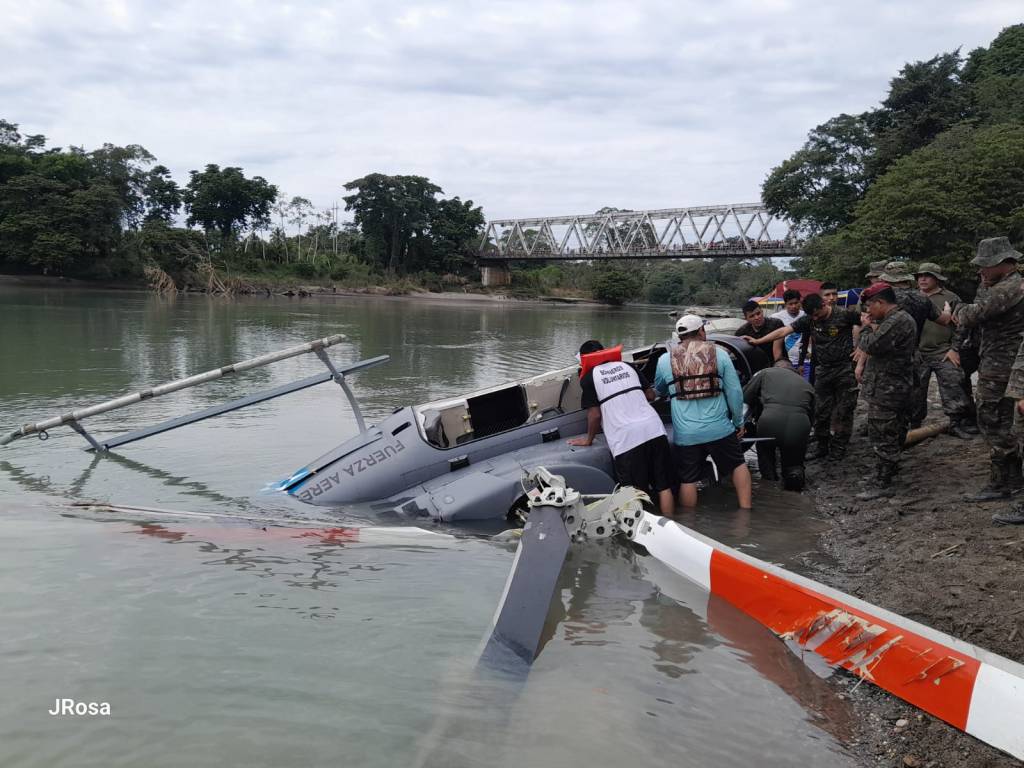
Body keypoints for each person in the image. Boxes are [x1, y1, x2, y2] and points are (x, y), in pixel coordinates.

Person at [743, 293, 860, 460]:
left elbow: (868, 322)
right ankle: (821, 445)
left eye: (817, 314)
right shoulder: (810, 319)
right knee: (820, 410)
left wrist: (862, 347)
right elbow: (784, 330)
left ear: (823, 305)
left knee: (844, 410)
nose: (815, 318)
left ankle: (839, 449)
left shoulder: (844, 314)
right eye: (812, 316)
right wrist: (759, 341)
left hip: (844, 370)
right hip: (823, 370)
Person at [952, 237, 1024, 503]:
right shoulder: (1003, 285)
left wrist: (956, 309)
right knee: (1001, 419)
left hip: (1002, 363)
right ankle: (1010, 479)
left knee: (991, 417)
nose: (981, 271)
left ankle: (1004, 481)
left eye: (985, 266)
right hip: (999, 360)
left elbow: (970, 315)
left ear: (1003, 264)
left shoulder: (1009, 288)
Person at [654, 314, 752, 509]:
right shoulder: (719, 354)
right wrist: (738, 422)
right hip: (720, 429)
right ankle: (746, 511)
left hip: (686, 434)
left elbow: (660, 389)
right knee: (737, 465)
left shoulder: (665, 359)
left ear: (679, 337)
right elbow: (734, 392)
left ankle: (690, 525)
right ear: (701, 331)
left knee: (688, 479)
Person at [569, 340, 677, 516]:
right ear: (603, 352)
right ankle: (671, 524)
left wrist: (588, 440)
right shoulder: (627, 366)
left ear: (584, 360)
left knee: (633, 493)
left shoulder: (589, 378)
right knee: (663, 485)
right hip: (654, 430)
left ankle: (639, 538)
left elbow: (595, 415)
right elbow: (650, 395)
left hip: (626, 439)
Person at [855, 283, 919, 498]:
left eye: (869, 307)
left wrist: (865, 327)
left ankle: (883, 480)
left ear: (880, 303)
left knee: (882, 431)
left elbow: (870, 345)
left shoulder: (896, 321)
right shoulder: (895, 319)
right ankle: (888, 470)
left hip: (889, 387)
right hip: (891, 383)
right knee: (892, 428)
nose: (868, 312)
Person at [913, 262, 976, 438]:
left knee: (953, 386)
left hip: (944, 351)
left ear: (937, 279)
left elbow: (962, 326)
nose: (923, 279)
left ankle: (956, 423)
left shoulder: (951, 298)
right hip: (918, 353)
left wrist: (954, 349)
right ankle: (913, 425)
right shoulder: (913, 298)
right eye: (920, 275)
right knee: (915, 391)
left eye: (928, 275)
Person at [743, 359, 815, 491]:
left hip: (769, 422)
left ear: (775, 367)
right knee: (793, 464)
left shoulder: (766, 373)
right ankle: (794, 492)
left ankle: (770, 489)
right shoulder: (807, 384)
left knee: (766, 454)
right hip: (799, 425)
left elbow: (746, 396)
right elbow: (813, 416)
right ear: (792, 369)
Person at [771, 289, 805, 371]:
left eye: (796, 303)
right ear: (785, 304)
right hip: (786, 363)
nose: (793, 306)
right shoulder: (775, 318)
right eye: (790, 304)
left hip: (804, 362)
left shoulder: (806, 316)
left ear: (800, 302)